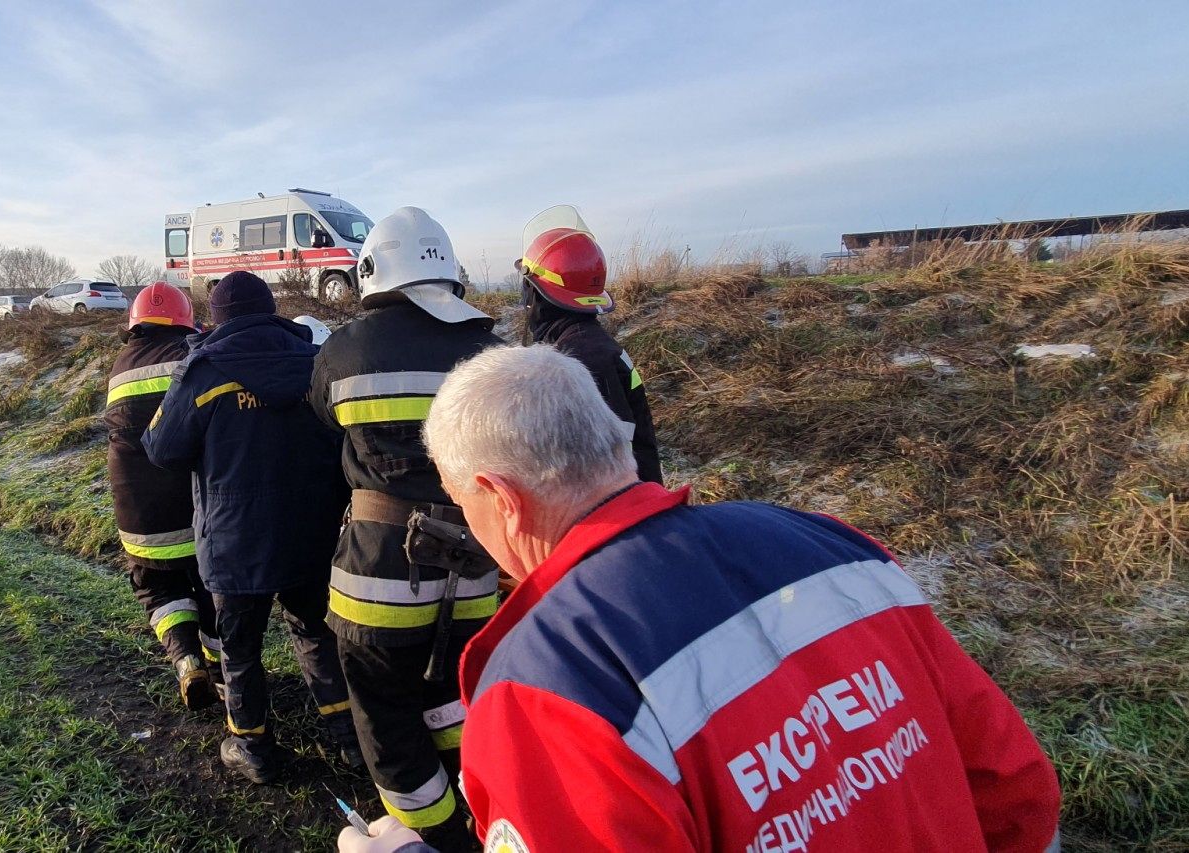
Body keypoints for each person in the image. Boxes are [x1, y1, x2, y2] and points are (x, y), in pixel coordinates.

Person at [340, 345, 1063, 852]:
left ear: (499, 497)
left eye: (464, 503)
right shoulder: (836, 547)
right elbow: (1014, 792)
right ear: (612, 443)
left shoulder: (548, 686)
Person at [308, 207, 502, 847]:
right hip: (474, 568)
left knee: (385, 710)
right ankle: (479, 810)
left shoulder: (343, 351)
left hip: (378, 574)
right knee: (454, 691)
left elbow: (323, 418)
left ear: (373, 275)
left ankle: (435, 835)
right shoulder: (493, 350)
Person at [143, 271, 359, 783]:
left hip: (234, 542)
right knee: (316, 634)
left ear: (217, 318)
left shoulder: (202, 372)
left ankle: (253, 749)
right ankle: (351, 738)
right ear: (272, 310)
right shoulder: (317, 363)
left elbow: (161, 449)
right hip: (313, 534)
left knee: (240, 651)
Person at [104, 282, 221, 709]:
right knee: (208, 582)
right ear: (185, 321)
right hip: (190, 503)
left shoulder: (120, 364)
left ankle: (186, 660)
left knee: (157, 584)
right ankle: (221, 666)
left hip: (136, 507)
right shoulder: (192, 356)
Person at [517, 205, 663, 483]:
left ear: (536, 293)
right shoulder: (591, 344)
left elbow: (595, 463)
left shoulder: (578, 359)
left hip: (619, 513)